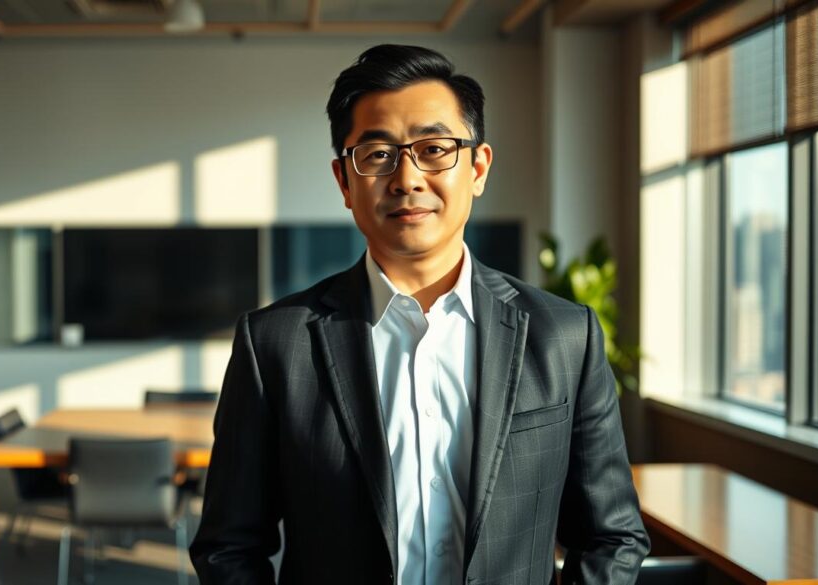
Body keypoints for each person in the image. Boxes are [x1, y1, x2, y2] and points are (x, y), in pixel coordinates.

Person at [190, 44, 649, 585]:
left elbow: (612, 535)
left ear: (477, 168)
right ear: (344, 180)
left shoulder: (565, 336)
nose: (407, 179)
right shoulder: (275, 344)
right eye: (378, 154)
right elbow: (228, 548)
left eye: (434, 149)